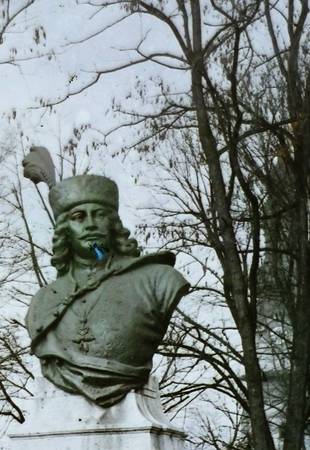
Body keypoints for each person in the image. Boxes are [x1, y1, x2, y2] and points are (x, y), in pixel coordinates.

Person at [21, 146, 190, 407]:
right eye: (79, 217)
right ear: (65, 230)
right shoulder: (42, 302)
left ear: (112, 223)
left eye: (99, 215)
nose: (90, 224)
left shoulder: (159, 280)